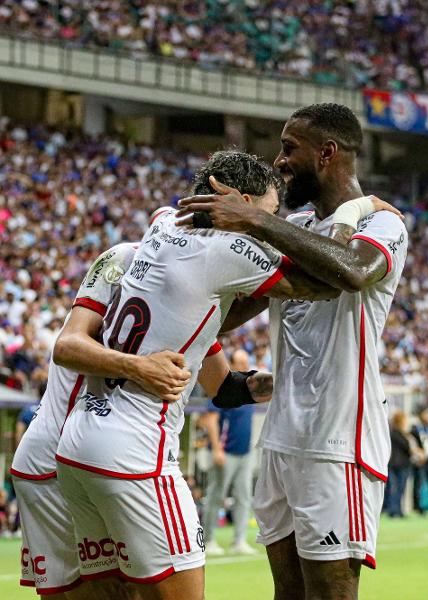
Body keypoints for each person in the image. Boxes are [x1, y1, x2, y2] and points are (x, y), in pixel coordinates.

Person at [54, 150, 366, 600]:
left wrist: (279, 384)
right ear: (237, 202)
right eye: (268, 213)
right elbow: (332, 278)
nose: (269, 225)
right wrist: (352, 212)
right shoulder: (229, 248)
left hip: (79, 448)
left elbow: (221, 373)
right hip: (136, 453)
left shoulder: (163, 220)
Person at [177, 103, 408, 600]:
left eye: (288, 148)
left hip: (338, 442)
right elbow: (236, 307)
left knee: (331, 593)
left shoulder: (384, 227)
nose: (278, 162)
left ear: (327, 153)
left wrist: (255, 222)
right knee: (288, 592)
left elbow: (351, 271)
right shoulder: (299, 224)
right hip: (282, 437)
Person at [12, 243, 191, 599]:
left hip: (52, 459)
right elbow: (67, 350)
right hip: (60, 462)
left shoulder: (126, 293)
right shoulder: (130, 274)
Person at [203, 348, 258, 556]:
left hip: (245, 452)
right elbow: (211, 419)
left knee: (244, 497)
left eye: (247, 362)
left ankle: (239, 540)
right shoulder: (224, 387)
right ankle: (208, 541)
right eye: (241, 363)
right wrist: (217, 449)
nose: (245, 366)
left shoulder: (251, 390)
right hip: (225, 452)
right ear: (233, 365)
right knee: (215, 496)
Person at [385, 411, 422, 518]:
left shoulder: (401, 433)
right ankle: (393, 511)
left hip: (402, 465)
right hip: (397, 465)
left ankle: (398, 511)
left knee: (400, 489)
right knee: (395, 489)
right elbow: (407, 446)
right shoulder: (396, 433)